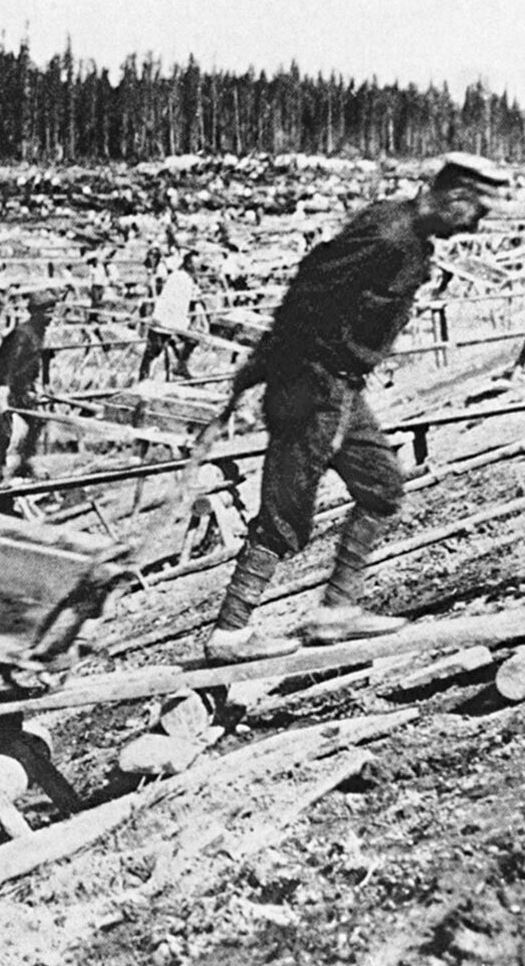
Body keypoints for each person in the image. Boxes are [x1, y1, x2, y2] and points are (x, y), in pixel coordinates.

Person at [194, 153, 510, 664]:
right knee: (286, 513)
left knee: (381, 485)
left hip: (342, 388)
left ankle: (335, 611)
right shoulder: (387, 235)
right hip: (311, 386)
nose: (475, 224)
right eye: (475, 211)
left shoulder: (410, 240)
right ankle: (231, 633)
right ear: (455, 197)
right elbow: (307, 293)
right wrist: (263, 369)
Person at [0, 288, 60, 491]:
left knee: (37, 420)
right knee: (3, 433)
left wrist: (40, 384)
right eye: (47, 312)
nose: (51, 316)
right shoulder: (22, 334)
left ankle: (25, 462)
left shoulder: (39, 333)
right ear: (36, 312)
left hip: (21, 388)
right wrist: (2, 393)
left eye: (53, 311)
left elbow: (38, 360)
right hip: (3, 386)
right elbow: (6, 364)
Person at [139, 251, 203, 380]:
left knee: (193, 339)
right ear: (189, 264)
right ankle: (143, 379)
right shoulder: (178, 277)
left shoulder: (189, 279)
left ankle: (180, 365)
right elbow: (170, 301)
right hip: (164, 320)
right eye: (197, 264)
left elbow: (189, 302)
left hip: (176, 321)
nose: (199, 268)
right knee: (152, 352)